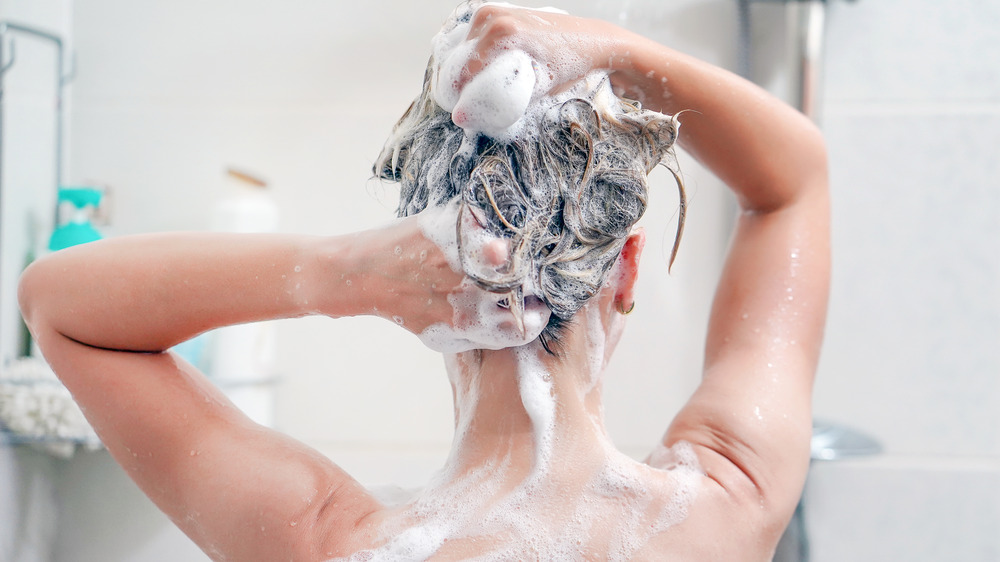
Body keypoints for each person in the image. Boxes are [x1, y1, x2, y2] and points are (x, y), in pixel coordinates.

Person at [17, 2, 829, 560]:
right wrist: (607, 49)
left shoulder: (330, 540)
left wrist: (337, 274)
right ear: (626, 268)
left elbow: (59, 305)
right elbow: (795, 181)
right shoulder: (725, 504)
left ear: (418, 267)